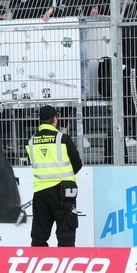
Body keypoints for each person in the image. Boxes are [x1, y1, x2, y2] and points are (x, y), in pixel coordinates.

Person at [26, 105, 82, 247]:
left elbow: (32, 162)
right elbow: (77, 163)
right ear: (55, 119)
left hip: (40, 192)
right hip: (63, 192)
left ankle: (39, 265)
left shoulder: (31, 141)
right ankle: (66, 265)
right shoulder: (63, 138)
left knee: (39, 235)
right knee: (66, 233)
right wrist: (66, 175)